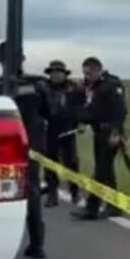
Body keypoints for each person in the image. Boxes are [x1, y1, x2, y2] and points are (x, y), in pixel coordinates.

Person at [0, 40, 48, 258]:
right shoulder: (37, 85)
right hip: (31, 145)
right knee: (31, 191)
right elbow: (49, 112)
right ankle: (37, 245)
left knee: (0, 194)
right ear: (22, 59)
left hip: (2, 146)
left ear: (0, 60)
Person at [73, 56, 128, 220]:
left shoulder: (111, 85)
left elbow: (121, 110)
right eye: (84, 73)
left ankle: (92, 208)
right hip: (99, 132)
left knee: (100, 172)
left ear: (98, 70)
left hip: (110, 133)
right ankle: (114, 206)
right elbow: (92, 110)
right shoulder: (93, 87)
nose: (86, 76)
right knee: (106, 171)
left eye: (89, 73)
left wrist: (116, 132)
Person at [40, 60, 84, 208]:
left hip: (68, 128)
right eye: (53, 73)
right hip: (51, 128)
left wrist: (81, 123)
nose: (56, 75)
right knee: (50, 162)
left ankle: (75, 192)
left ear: (64, 74)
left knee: (71, 162)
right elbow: (39, 108)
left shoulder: (74, 88)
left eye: (59, 72)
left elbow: (81, 107)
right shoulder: (43, 88)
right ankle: (52, 193)